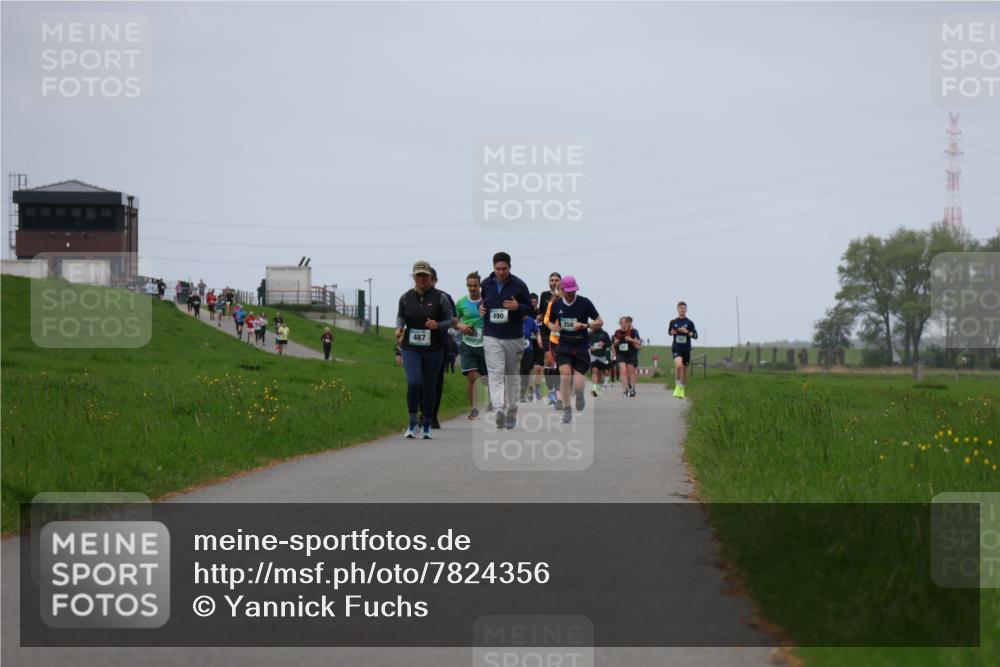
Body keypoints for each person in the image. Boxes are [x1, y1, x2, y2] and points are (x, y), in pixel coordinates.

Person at [396, 260, 453, 439]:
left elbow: (450, 320)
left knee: (429, 386)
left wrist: (438, 324)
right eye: (418, 275)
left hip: (433, 349)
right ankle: (413, 421)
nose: (421, 279)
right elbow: (400, 317)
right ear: (413, 276)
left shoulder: (440, 297)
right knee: (414, 382)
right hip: (411, 348)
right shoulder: (406, 297)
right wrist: (399, 328)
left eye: (424, 276)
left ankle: (427, 422)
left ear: (430, 277)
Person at [479, 252, 534, 430]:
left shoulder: (519, 285)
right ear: (493, 267)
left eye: (504, 269)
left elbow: (531, 309)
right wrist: (482, 308)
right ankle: (498, 410)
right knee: (495, 373)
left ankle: (512, 409)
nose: (501, 272)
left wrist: (518, 307)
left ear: (510, 268)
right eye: (498, 269)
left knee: (511, 375)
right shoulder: (486, 284)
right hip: (491, 335)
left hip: (513, 337)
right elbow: (485, 303)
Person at [545, 275, 602, 423]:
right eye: (568, 292)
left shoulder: (585, 302)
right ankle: (567, 410)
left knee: (578, 383)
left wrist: (586, 325)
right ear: (562, 290)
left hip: (581, 346)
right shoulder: (557, 305)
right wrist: (554, 327)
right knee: (564, 376)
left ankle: (580, 394)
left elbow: (600, 321)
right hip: (564, 345)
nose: (571, 294)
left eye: (573, 291)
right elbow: (549, 323)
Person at [455, 271, 490, 420]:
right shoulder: (461, 303)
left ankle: (492, 403)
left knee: (486, 379)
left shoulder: (487, 301)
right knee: (471, 376)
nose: (472, 288)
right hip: (468, 343)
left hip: (485, 344)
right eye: (470, 285)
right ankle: (474, 408)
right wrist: (460, 326)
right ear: (466, 285)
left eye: (475, 285)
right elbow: (453, 320)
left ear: (480, 285)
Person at [428, 267, 458, 429]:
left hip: (439, 342)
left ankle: (432, 415)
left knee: (436, 380)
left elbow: (453, 319)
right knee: (418, 380)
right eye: (422, 277)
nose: (426, 281)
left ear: (435, 280)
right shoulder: (411, 296)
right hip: (416, 346)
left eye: (430, 278)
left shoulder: (445, 297)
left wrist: (439, 324)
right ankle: (420, 412)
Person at [537, 273, 562, 405]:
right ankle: (551, 390)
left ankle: (558, 390)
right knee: (549, 359)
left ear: (561, 281)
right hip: (546, 331)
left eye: (556, 280)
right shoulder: (544, 295)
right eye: (551, 280)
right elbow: (541, 312)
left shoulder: (565, 294)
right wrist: (539, 319)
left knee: (559, 362)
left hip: (560, 332)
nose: (554, 282)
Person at [669, 301, 698, 398]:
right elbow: (670, 332)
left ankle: (682, 388)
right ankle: (677, 386)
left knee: (685, 372)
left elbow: (695, 336)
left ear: (686, 310)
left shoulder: (689, 323)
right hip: (676, 348)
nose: (682, 310)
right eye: (680, 308)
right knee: (678, 366)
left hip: (686, 349)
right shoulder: (673, 322)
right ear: (677, 309)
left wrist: (687, 332)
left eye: (683, 308)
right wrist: (672, 332)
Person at [613, 316, 642, 398]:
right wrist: (617, 341)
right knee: (623, 371)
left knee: (630, 373)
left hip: (631, 354)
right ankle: (625, 391)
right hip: (621, 355)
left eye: (625, 322)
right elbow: (614, 343)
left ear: (627, 323)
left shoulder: (632, 332)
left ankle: (632, 389)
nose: (623, 324)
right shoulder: (617, 332)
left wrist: (631, 340)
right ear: (620, 324)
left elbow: (638, 342)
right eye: (621, 322)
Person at [519, 307, 541, 401]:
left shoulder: (531, 321)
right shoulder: (513, 320)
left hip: (528, 350)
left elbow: (537, 333)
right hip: (515, 350)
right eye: (522, 316)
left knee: (525, 371)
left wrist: (539, 341)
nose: (524, 317)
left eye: (525, 315)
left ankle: (522, 394)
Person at [589, 321, 613, 396]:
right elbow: (586, 342)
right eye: (593, 325)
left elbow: (609, 344)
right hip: (593, 356)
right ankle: (594, 389)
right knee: (594, 371)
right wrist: (590, 347)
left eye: (595, 325)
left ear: (599, 325)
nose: (593, 326)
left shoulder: (604, 334)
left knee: (601, 373)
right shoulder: (590, 334)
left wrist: (604, 344)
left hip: (603, 356)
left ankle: (599, 388)